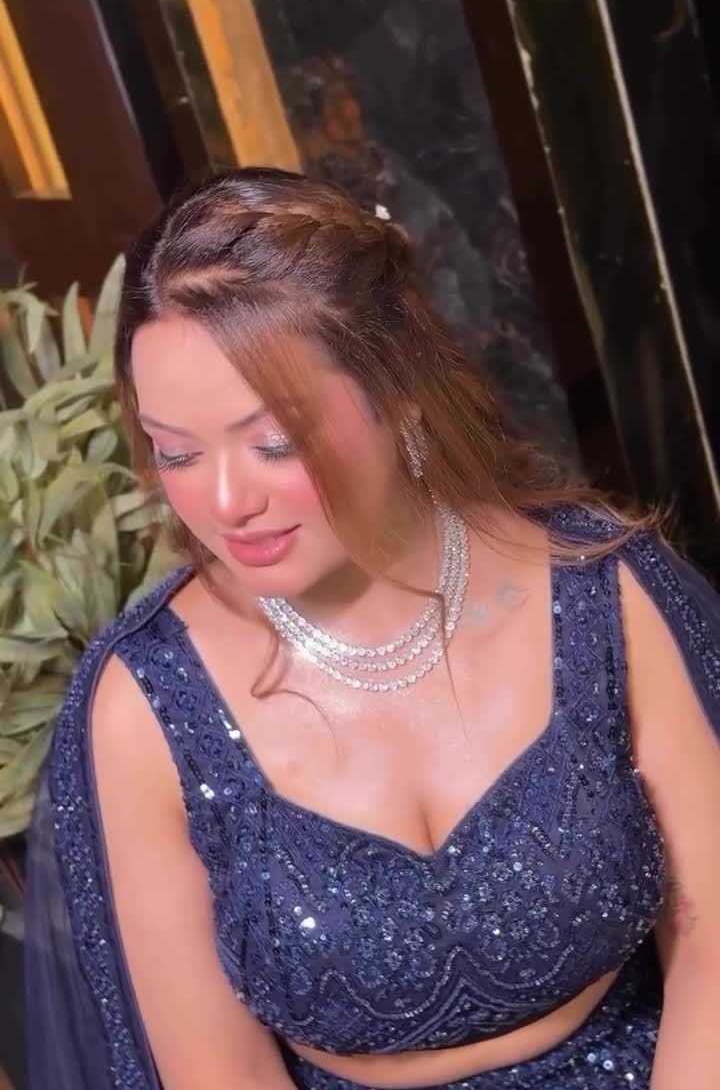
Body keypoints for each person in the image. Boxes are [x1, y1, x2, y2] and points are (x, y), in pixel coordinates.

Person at [25, 168, 720, 1090]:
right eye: (177, 452)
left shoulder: (605, 588)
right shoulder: (144, 702)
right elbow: (218, 1074)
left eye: (273, 442)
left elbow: (711, 939)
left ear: (402, 392)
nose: (225, 501)